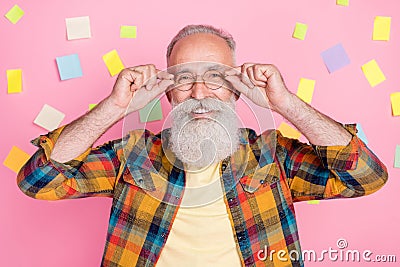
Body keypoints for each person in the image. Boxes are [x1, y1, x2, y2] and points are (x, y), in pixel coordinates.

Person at [17, 24, 388, 267]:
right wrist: (115, 108)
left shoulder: (273, 158)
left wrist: (284, 103)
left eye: (215, 77)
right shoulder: (132, 157)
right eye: (184, 79)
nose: (199, 93)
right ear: (166, 92)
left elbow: (366, 177)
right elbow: (39, 181)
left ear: (236, 89)